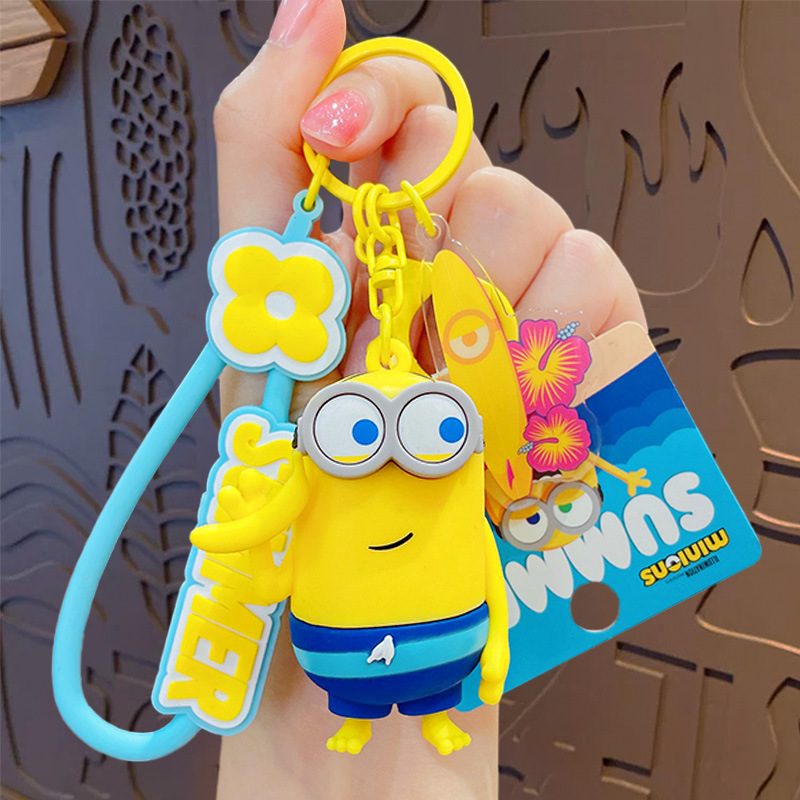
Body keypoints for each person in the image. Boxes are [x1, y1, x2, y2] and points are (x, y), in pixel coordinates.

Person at [213, 0, 646, 796]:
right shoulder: (303, 465)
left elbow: (488, 575)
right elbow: (275, 545)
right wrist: (243, 539)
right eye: (351, 439)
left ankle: (418, 722)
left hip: (432, 648)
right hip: (332, 650)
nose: (390, 458)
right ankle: (354, 722)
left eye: (433, 438)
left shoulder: (450, 480)